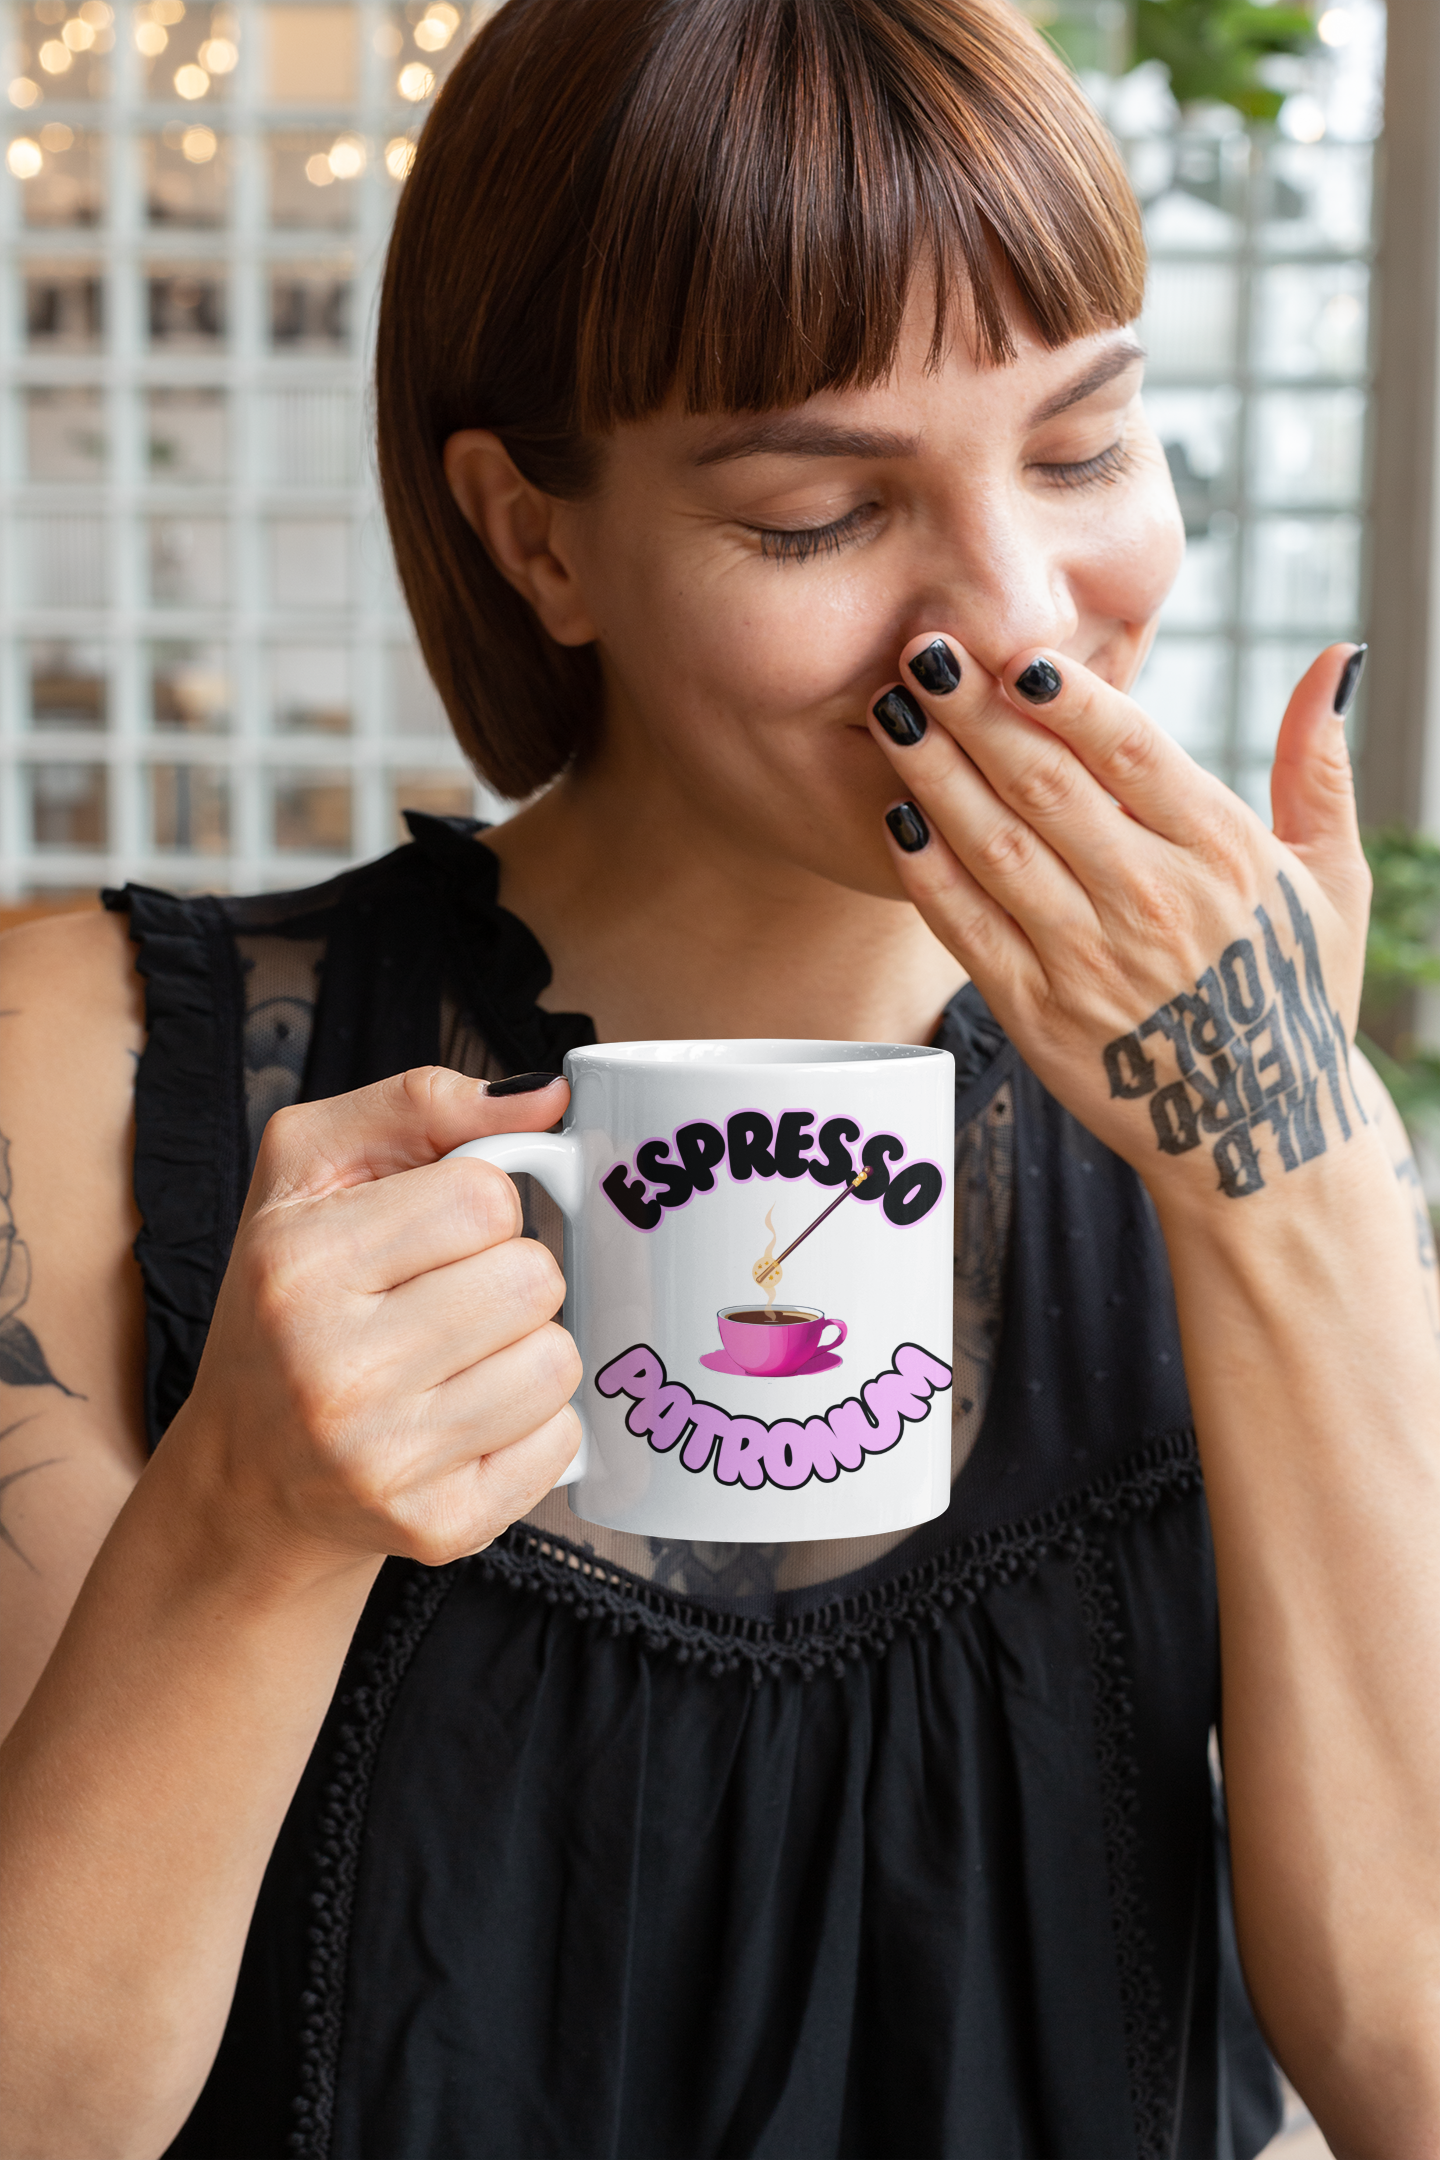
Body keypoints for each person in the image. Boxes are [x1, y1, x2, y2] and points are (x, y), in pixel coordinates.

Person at [1, 0, 1438, 2152]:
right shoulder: (85, 1069)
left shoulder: (1257, 1087)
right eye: (812, 513)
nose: (1025, 612)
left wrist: (1283, 1162)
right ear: (538, 539)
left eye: (1080, 446)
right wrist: (248, 1523)